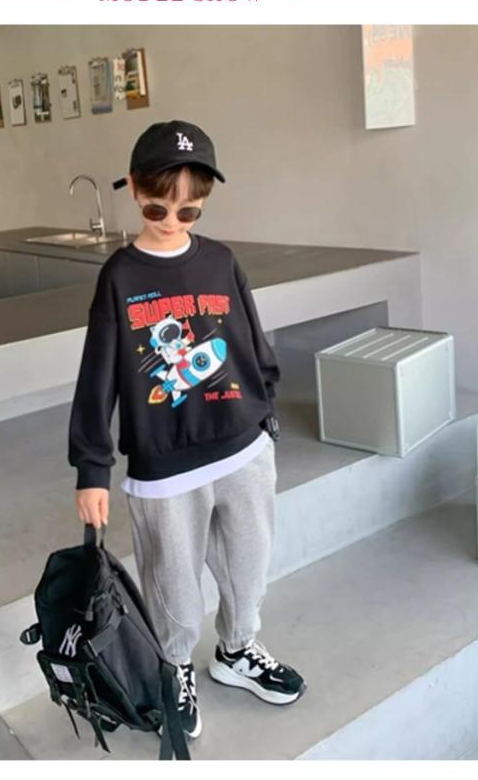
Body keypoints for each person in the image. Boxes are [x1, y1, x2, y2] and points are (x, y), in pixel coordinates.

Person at [68, 120, 306, 741]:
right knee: (174, 589)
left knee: (249, 567)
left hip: (243, 447)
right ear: (134, 189)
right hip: (165, 468)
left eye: (189, 211)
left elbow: (250, 338)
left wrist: (265, 409)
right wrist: (92, 468)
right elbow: (97, 376)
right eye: (157, 207)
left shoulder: (221, 261)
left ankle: (237, 650)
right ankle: (174, 666)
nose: (171, 221)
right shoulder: (120, 276)